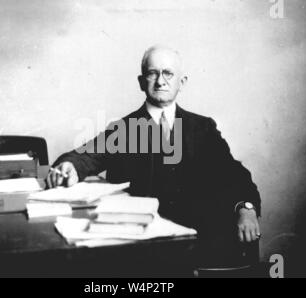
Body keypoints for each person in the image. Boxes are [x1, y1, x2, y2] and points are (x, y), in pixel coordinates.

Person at [48, 46, 261, 266]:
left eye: (168, 73)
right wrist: (69, 166)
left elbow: (233, 174)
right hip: (144, 244)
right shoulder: (124, 129)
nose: (160, 81)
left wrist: (246, 208)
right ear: (142, 82)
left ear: (182, 82)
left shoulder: (203, 128)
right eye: (153, 73)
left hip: (199, 239)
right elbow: (86, 156)